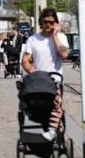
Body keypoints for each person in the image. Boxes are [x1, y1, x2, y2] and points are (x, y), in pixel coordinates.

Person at [21, 8, 70, 141]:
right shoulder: (33, 39)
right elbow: (25, 60)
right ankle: (47, 136)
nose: (48, 25)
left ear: (56, 23)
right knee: (38, 111)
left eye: (51, 22)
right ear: (40, 22)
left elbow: (64, 54)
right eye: (45, 22)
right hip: (38, 81)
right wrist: (31, 70)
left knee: (56, 105)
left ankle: (52, 133)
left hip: (55, 81)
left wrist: (55, 36)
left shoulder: (61, 38)